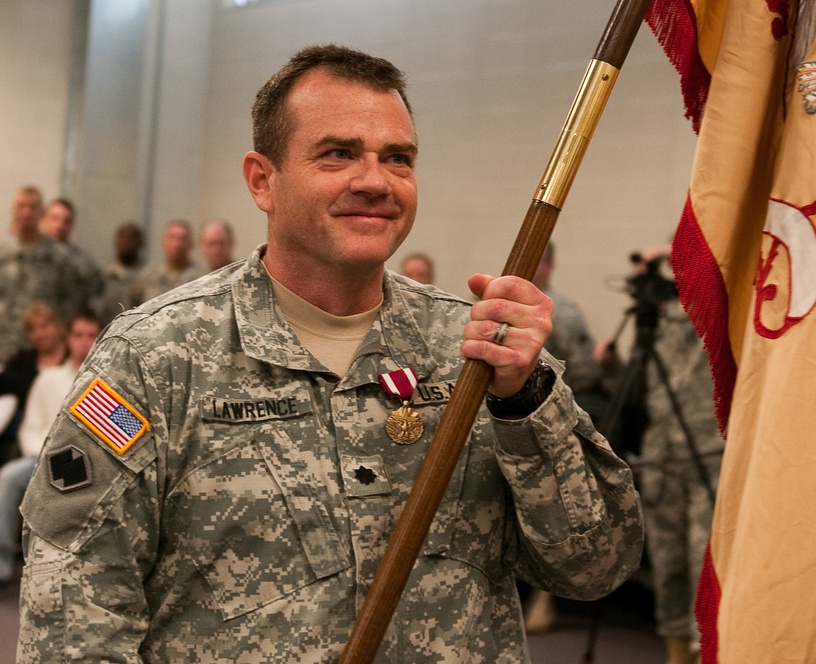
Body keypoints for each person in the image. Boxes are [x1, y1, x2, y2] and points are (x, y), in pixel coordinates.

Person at [16, 44, 643, 662]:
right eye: (337, 154)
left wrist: (525, 402)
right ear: (263, 180)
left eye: (398, 158)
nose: (374, 180)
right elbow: (73, 623)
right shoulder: (155, 358)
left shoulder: (475, 354)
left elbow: (597, 566)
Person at [599, 244, 724, 664]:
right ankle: (675, 647)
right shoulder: (656, 321)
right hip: (661, 454)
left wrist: (677, 264)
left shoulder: (714, 307)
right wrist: (613, 366)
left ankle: (704, 645)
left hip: (706, 450)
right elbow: (643, 390)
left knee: (702, 556)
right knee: (668, 559)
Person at [522, 240, 609, 634]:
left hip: (555, 418)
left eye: (540, 260)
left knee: (555, 512)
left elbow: (587, 372)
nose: (533, 266)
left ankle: (546, 598)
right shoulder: (506, 307)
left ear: (551, 265)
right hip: (513, 420)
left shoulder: (563, 312)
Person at [0, 310, 100, 585]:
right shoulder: (49, 379)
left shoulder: (107, 382)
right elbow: (30, 428)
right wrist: (44, 454)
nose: (84, 342)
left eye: (91, 335)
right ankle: (2, 565)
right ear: (68, 338)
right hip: (43, 457)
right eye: (78, 335)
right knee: (8, 477)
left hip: (96, 461)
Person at [0, 187, 85, 363]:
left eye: (32, 207)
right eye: (21, 206)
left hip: (43, 353)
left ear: (42, 213)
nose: (26, 212)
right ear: (13, 211)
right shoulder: (3, 254)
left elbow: (71, 304)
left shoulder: (60, 258)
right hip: (4, 346)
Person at [0, 305, 67, 465]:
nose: (39, 334)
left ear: (57, 326)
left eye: (44, 326)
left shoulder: (72, 361)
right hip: (29, 430)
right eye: (32, 329)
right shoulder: (22, 362)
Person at [39, 197, 105, 309]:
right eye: (54, 218)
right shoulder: (28, 256)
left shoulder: (84, 263)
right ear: (44, 220)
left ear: (72, 225)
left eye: (66, 221)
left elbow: (97, 295)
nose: (60, 225)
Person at [137, 218, 200, 301]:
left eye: (183, 239)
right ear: (163, 242)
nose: (177, 244)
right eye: (172, 238)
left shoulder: (200, 277)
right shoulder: (147, 276)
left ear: (191, 243)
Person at [99, 221, 146, 325]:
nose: (127, 241)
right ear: (116, 241)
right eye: (123, 237)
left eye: (132, 238)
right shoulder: (103, 274)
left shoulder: (149, 276)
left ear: (141, 243)